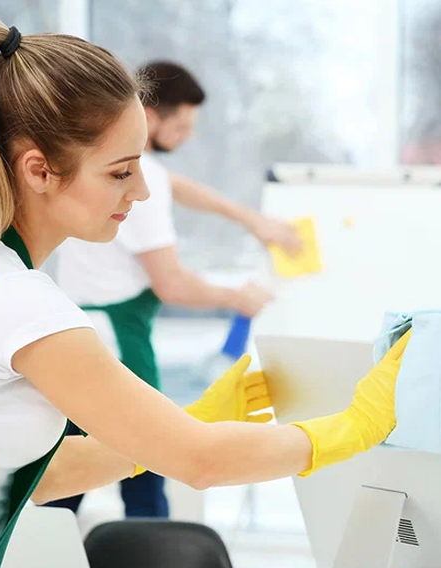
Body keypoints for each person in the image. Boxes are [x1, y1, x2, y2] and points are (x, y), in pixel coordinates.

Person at [0, 19, 409, 568]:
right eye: (120, 172)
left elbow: (41, 476)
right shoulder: (19, 300)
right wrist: (355, 427)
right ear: (38, 171)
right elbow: (201, 462)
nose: (140, 191)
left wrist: (185, 424)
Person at [53, 61, 294, 518]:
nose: (187, 137)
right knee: (143, 466)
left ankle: (35, 550)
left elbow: (180, 187)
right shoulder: (140, 183)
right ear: (148, 115)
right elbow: (172, 284)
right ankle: (147, 558)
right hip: (117, 342)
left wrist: (251, 220)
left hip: (85, 330)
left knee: (73, 469)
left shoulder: (115, 169)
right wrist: (237, 297)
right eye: (181, 126)